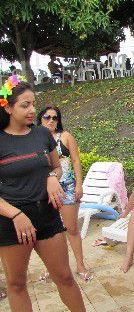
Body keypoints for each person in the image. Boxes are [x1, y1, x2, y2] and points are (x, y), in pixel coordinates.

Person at [0, 76, 112, 312]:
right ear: (8, 107)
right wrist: (14, 214)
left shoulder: (42, 135)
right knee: (17, 284)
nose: (32, 110)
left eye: (33, 104)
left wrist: (51, 177)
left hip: (46, 215)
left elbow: (56, 165)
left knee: (64, 275)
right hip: (12, 221)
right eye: (25, 105)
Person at [37, 106, 92, 282]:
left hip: (67, 188)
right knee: (50, 233)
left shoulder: (65, 137)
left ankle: (80, 265)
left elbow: (75, 160)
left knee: (71, 228)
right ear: (40, 119)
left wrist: (78, 185)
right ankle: (52, 268)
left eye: (55, 117)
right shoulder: (34, 139)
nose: (51, 120)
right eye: (47, 117)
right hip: (46, 191)